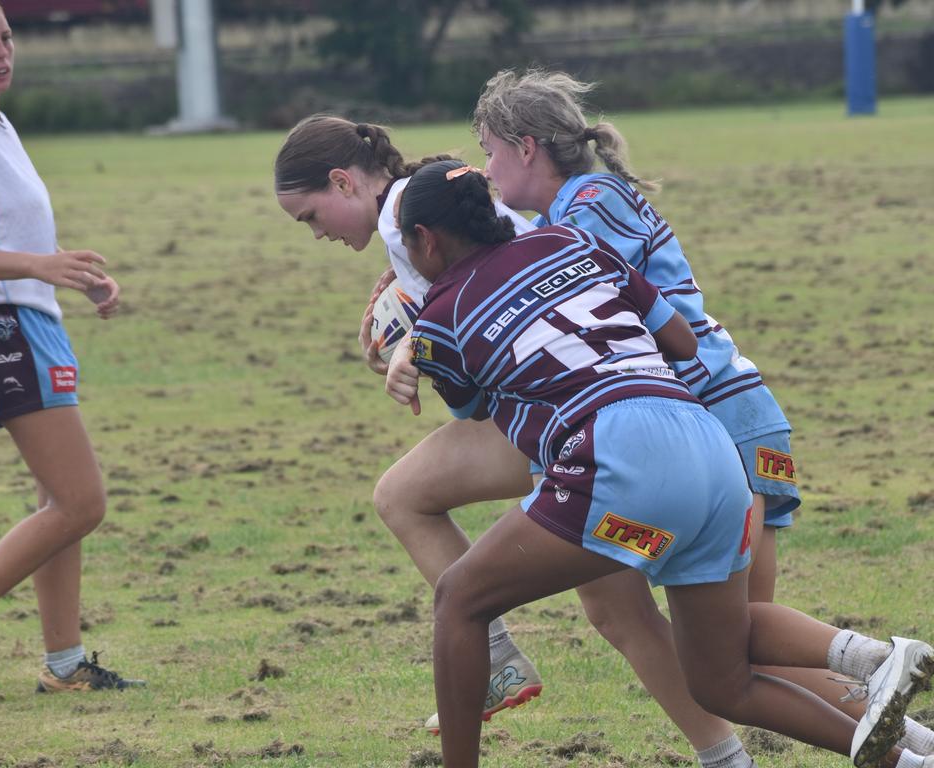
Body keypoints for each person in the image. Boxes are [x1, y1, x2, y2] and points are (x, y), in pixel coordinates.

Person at [385, 159, 934, 768]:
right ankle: (885, 683)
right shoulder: (572, 240)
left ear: (425, 240)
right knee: (723, 680)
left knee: (461, 597)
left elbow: (474, 407)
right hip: (710, 447)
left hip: (620, 453)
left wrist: (410, 355)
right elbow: (679, 341)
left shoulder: (438, 318)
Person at [274, 115, 546, 729]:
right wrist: (411, 332)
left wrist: (412, 349)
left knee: (402, 495)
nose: (315, 234)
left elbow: (479, 337)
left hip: (554, 410)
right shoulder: (420, 200)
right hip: (590, 392)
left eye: (310, 217)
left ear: (344, 183)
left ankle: (497, 659)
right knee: (628, 617)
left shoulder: (402, 223)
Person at [0, 0, 142, 705]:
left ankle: (64, 663)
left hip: (26, 322)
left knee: (58, 500)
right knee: (81, 502)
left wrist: (69, 274)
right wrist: (38, 269)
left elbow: (6, 234)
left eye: (7, 38)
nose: (2, 53)